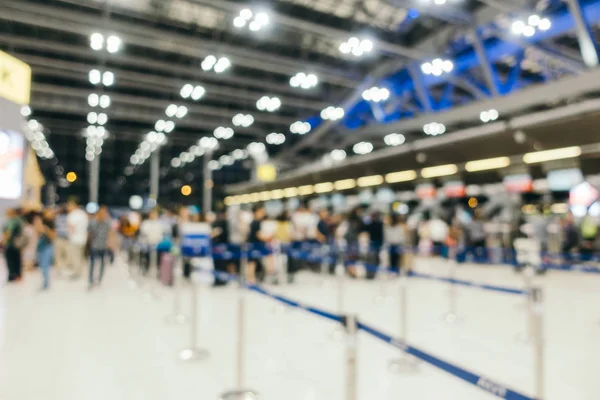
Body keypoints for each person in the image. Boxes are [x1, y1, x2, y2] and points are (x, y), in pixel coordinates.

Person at [87, 206, 112, 289]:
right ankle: (91, 280)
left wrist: (110, 245)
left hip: (103, 246)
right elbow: (89, 233)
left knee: (102, 263)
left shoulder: (107, 222)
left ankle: (99, 279)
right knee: (92, 263)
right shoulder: (93, 222)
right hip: (94, 245)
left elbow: (110, 233)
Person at [66, 199, 89, 279]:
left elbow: (71, 228)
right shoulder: (83, 214)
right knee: (80, 256)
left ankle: (76, 273)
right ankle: (80, 271)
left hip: (75, 239)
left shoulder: (72, 215)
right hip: (83, 239)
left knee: (75, 257)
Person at [247, 205, 270, 283]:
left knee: (252, 262)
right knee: (252, 262)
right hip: (255, 245)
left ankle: (252, 279)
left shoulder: (254, 222)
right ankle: (251, 279)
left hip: (253, 244)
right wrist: (268, 238)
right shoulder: (256, 222)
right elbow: (258, 235)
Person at [34, 210, 56, 290]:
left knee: (45, 265)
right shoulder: (41, 223)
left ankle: (46, 284)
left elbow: (52, 236)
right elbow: (37, 233)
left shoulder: (51, 224)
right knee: (42, 266)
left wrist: (45, 229)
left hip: (48, 246)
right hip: (41, 247)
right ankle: (45, 283)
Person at [139, 208, 165, 275]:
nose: (153, 215)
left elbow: (161, 234)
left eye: (155, 214)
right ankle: (146, 268)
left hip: (157, 244)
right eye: (152, 214)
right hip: (147, 244)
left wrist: (158, 241)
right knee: (146, 253)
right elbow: (144, 233)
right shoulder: (145, 223)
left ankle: (158, 270)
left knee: (159, 255)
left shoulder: (159, 224)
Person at [2, 208, 25, 282]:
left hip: (11, 244)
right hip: (16, 244)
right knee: (17, 260)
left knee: (11, 260)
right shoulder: (19, 220)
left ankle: (13, 275)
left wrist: (3, 241)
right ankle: (17, 275)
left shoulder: (12, 221)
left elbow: (9, 232)